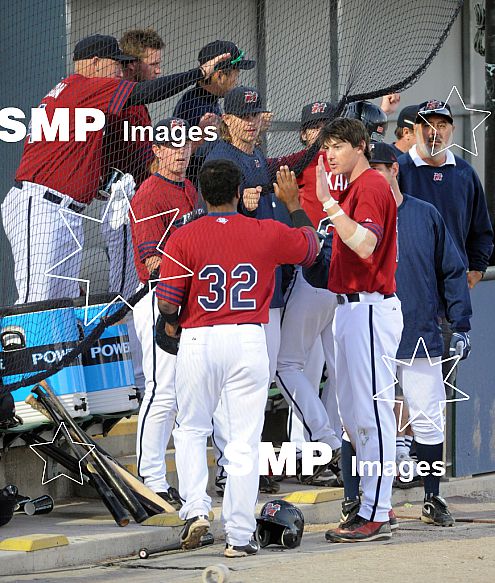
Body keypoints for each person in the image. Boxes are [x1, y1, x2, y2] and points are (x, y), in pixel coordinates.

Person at [155, 159, 319, 557]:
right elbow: (311, 249)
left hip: (199, 338)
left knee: (192, 429)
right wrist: (294, 204)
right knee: (244, 443)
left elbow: (168, 301)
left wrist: (173, 326)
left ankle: (196, 510)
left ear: (201, 193)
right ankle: (240, 536)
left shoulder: (183, 235)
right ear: (236, 192)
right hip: (249, 338)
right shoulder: (264, 229)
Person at [1, 33, 228, 303]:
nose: (120, 70)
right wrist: (199, 73)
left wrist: (97, 178)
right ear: (95, 62)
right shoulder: (87, 85)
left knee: (59, 304)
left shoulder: (76, 91)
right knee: (35, 301)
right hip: (42, 206)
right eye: (116, 63)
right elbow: (149, 92)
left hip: (62, 209)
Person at [368, 142, 472, 526]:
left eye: (378, 169)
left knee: (428, 418)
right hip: (372, 334)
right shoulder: (356, 219)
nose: (372, 177)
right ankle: (364, 501)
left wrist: (460, 324)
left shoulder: (424, 214)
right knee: (367, 419)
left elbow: (452, 270)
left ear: (394, 170)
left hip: (418, 330)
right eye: (368, 171)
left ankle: (432, 497)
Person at [316, 118, 403, 543]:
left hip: (370, 307)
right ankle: (373, 505)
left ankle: (378, 512)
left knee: (371, 414)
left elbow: (366, 244)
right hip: (352, 309)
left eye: (338, 145)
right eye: (327, 146)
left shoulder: (369, 184)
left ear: (360, 146)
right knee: (354, 417)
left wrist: (327, 205)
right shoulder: (353, 185)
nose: (330, 153)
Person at [129, 117, 202, 509]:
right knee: (160, 391)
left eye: (185, 143)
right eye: (171, 144)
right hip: (158, 298)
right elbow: (152, 261)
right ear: (156, 149)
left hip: (183, 298)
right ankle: (150, 479)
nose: (180, 151)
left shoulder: (188, 187)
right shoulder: (148, 194)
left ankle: (158, 477)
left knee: (176, 395)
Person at [397, 99, 493, 387]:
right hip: (403, 293)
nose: (434, 132)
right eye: (426, 126)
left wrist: (476, 268)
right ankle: (403, 434)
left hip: (449, 297)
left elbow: (482, 229)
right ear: (414, 130)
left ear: (452, 129)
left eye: (441, 125)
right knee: (397, 385)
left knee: (440, 385)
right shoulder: (397, 170)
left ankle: (430, 435)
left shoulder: (464, 173)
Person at [275, 102, 344, 483]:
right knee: (329, 370)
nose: (318, 134)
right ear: (304, 132)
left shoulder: (316, 167)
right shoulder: (343, 166)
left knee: (288, 366)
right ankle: (324, 456)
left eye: (325, 127)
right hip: (338, 278)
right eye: (313, 126)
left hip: (317, 272)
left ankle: (327, 446)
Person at [173, 40, 256, 185]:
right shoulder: (193, 106)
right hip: (199, 193)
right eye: (235, 74)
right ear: (219, 76)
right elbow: (179, 156)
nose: (237, 81)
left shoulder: (209, 100)